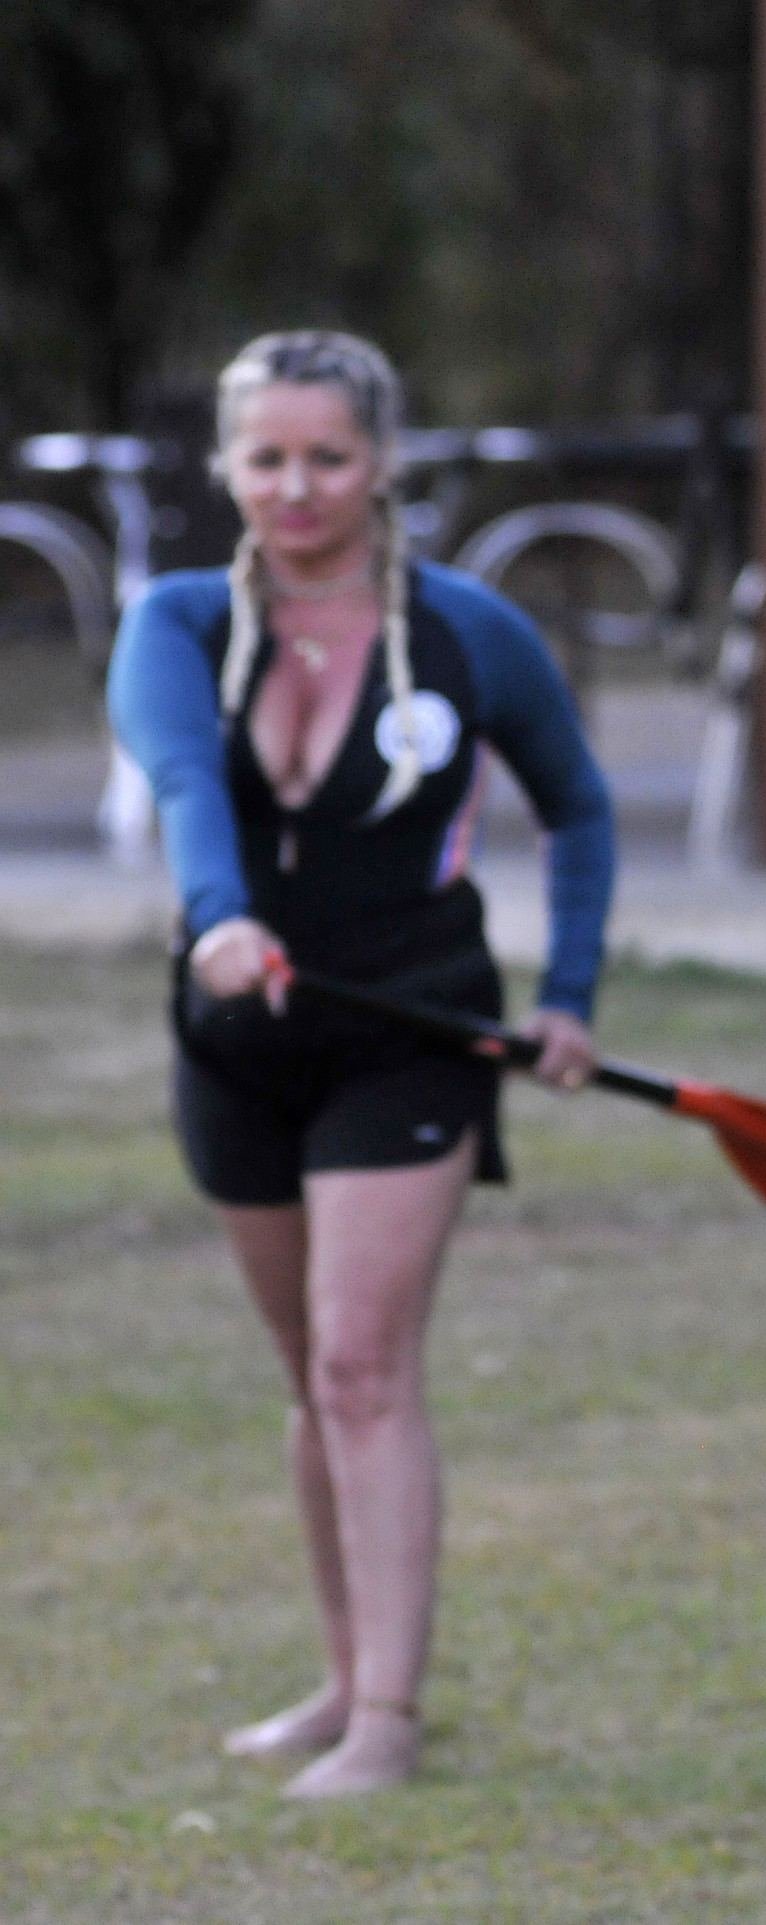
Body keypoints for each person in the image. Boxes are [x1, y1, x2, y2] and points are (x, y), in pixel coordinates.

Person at [108, 330, 615, 1798]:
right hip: (236, 1030)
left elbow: (578, 807)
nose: (297, 486)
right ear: (227, 465)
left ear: (384, 462)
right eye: (265, 457)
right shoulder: (178, 620)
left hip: (414, 1032)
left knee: (360, 1360)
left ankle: (389, 1717)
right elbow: (187, 779)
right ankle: (340, 1682)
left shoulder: (469, 632)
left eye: (329, 456)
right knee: (306, 1371)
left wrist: (569, 992)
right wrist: (219, 919)